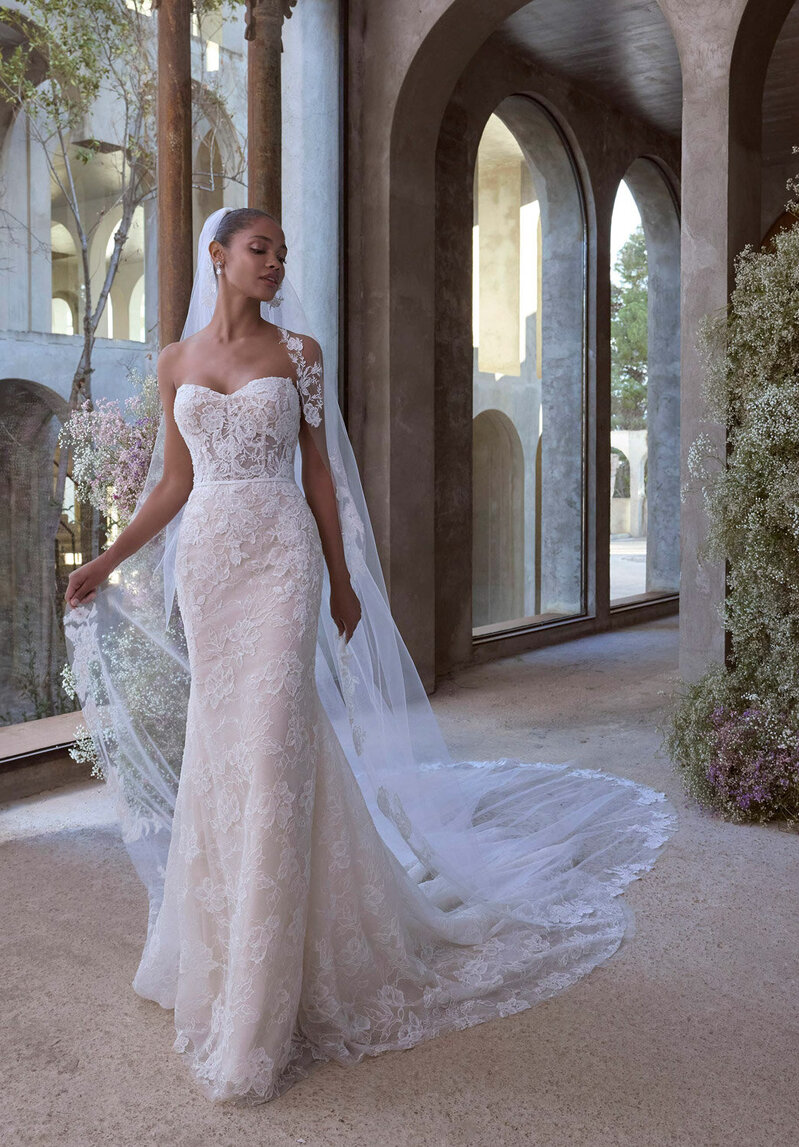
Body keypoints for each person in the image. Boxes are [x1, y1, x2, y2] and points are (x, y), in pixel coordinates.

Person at [64, 206, 678, 1106]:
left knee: (274, 748)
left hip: (279, 558)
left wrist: (343, 579)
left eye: (282, 250)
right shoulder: (174, 364)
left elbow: (321, 473)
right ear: (218, 258)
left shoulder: (301, 354)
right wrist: (107, 560)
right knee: (228, 755)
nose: (275, 261)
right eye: (259, 249)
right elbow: (175, 483)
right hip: (210, 569)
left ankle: (263, 1005)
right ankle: (226, 949)